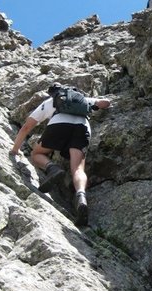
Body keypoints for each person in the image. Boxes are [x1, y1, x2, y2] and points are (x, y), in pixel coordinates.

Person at [10, 83, 110, 226]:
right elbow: (105, 103)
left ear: (55, 93)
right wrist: (96, 105)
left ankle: (52, 168)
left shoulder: (51, 102)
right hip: (82, 127)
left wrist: (15, 150)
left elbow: (26, 127)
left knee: (36, 153)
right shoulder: (83, 100)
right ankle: (81, 196)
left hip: (59, 123)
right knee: (78, 169)